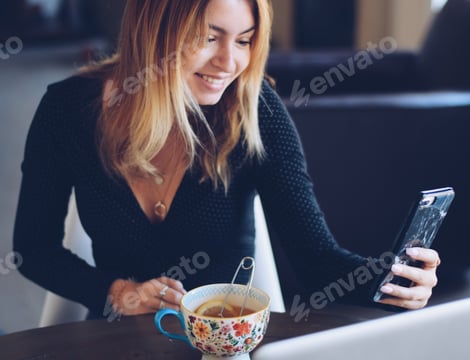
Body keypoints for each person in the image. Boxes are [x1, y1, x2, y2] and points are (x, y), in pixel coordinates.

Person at [13, 0, 441, 319]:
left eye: (245, 40)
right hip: (122, 341)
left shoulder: (257, 112)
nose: (229, 62)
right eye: (208, 36)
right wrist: (118, 292)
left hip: (225, 343)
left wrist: (391, 280)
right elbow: (33, 250)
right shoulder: (66, 111)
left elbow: (318, 262)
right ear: (154, 29)